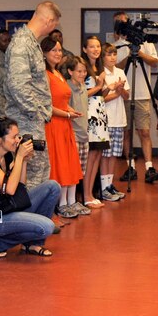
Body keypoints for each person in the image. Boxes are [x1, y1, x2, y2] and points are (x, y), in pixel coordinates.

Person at [0, 117, 60, 256]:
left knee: (52, 187)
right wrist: (18, 157)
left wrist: (23, 161)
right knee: (47, 227)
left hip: (7, 207)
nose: (18, 140)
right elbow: (9, 189)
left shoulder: (6, 156)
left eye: (18, 136)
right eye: (14, 137)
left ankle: (33, 244)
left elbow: (20, 188)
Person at [6, 2, 61, 187]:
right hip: (26, 121)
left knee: (40, 171)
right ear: (49, 20)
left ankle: (38, 215)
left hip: (32, 120)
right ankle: (28, 216)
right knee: (31, 175)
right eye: (55, 24)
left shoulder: (31, 43)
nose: (54, 28)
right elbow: (18, 85)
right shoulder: (22, 44)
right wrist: (36, 112)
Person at [113, 11, 158, 184]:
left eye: (123, 22)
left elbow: (154, 61)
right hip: (124, 94)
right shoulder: (117, 45)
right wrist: (128, 52)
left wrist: (139, 52)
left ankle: (149, 167)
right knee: (126, 132)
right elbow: (115, 67)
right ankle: (130, 166)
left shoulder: (144, 41)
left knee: (144, 131)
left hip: (142, 93)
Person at [41, 36, 84, 218]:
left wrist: (70, 110)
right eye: (54, 50)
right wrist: (66, 113)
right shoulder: (44, 74)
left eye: (59, 50)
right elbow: (46, 105)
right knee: (58, 165)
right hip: (54, 125)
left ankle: (70, 202)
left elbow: (62, 100)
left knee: (69, 163)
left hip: (65, 123)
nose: (58, 53)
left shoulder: (58, 73)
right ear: (44, 53)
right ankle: (60, 205)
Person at [61, 54, 91, 218]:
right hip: (72, 135)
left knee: (78, 172)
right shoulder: (67, 89)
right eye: (79, 71)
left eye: (84, 71)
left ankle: (72, 201)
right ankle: (63, 203)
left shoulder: (83, 87)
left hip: (84, 135)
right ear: (70, 71)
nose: (82, 74)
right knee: (68, 171)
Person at [81, 35, 110, 208]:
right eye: (92, 47)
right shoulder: (83, 67)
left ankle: (91, 192)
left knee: (97, 155)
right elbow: (81, 93)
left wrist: (107, 88)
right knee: (90, 157)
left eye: (98, 46)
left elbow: (101, 95)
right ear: (85, 49)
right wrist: (99, 86)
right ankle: (85, 195)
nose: (96, 50)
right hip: (89, 116)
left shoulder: (98, 67)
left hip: (100, 116)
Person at [100, 42, 129, 201]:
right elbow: (101, 98)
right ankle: (103, 186)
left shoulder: (120, 72)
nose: (112, 57)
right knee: (105, 155)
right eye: (109, 54)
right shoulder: (101, 73)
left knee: (114, 155)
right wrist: (116, 92)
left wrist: (120, 90)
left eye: (114, 54)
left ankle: (110, 185)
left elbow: (126, 96)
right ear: (103, 57)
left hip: (119, 118)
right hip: (106, 119)